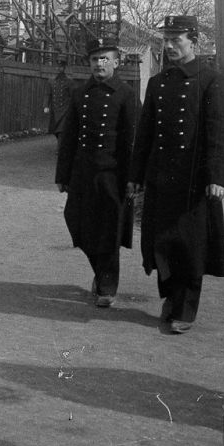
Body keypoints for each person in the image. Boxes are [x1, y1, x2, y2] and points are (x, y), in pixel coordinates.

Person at [130, 14, 224, 333]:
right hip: (161, 177)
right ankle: (171, 296)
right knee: (162, 243)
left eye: (177, 40)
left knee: (191, 246)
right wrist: (135, 175)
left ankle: (185, 308)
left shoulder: (210, 79)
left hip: (194, 180)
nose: (170, 46)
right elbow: (144, 134)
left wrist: (217, 177)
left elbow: (218, 132)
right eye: (166, 40)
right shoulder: (158, 83)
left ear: (194, 42)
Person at [56, 35, 140, 308]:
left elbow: (132, 140)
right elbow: (69, 136)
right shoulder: (81, 93)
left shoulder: (126, 94)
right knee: (77, 222)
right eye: (94, 59)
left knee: (110, 230)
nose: (99, 64)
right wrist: (63, 174)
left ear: (116, 61)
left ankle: (107, 282)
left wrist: (132, 177)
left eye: (105, 58)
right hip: (83, 173)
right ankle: (100, 271)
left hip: (112, 175)